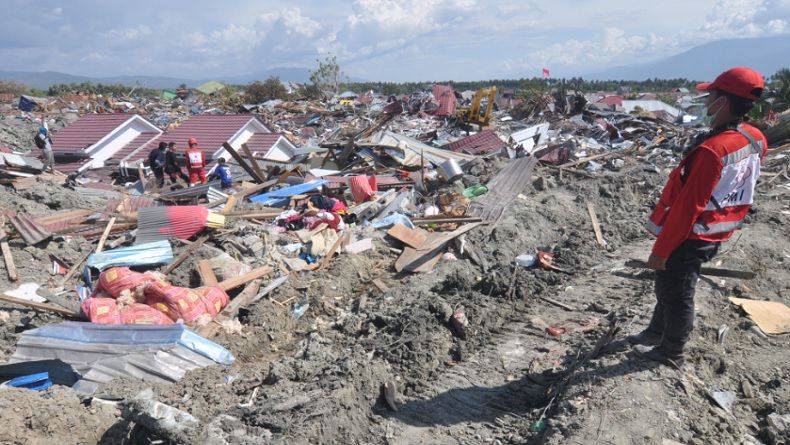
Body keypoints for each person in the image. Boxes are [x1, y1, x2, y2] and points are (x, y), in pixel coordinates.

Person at [630, 67, 768, 368]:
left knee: (676, 291)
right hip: (716, 229)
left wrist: (661, 251)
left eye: (712, 96)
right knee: (669, 285)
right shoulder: (755, 138)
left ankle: (671, 352)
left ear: (723, 100)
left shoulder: (712, 150)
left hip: (693, 234)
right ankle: (656, 332)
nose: (707, 102)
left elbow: (687, 207)